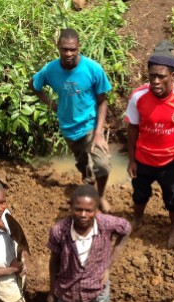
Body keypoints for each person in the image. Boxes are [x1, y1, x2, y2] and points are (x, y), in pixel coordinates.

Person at [125, 40, 174, 249]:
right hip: (143, 159)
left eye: (161, 76)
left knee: (173, 197)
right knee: (140, 194)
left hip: (170, 161)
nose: (156, 81)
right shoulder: (138, 96)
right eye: (152, 76)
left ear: (172, 76)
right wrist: (131, 159)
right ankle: (137, 220)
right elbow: (132, 127)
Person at [46, 184, 131, 302]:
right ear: (70, 208)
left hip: (97, 283)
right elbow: (53, 262)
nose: (83, 214)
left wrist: (109, 264)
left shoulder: (106, 224)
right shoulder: (59, 231)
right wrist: (52, 291)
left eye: (89, 210)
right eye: (78, 209)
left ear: (96, 210)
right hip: (68, 286)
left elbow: (127, 229)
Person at [29, 28, 113, 213]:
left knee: (102, 165)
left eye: (72, 49)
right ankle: (88, 181)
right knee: (83, 164)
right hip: (68, 127)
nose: (68, 53)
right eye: (65, 49)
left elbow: (102, 101)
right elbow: (34, 85)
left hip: (90, 125)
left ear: (79, 48)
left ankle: (100, 196)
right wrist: (51, 104)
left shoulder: (92, 69)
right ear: (58, 46)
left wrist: (98, 134)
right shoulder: (50, 70)